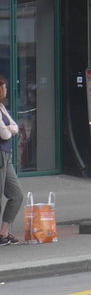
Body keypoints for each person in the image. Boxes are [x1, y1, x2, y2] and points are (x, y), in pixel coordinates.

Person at [0, 76, 24, 245]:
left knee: (16, 195)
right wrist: (9, 129)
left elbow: (14, 126)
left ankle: (4, 232)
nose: (6, 90)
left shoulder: (2, 107)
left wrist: (9, 128)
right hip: (1, 154)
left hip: (6, 155)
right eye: (4, 87)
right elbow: (5, 134)